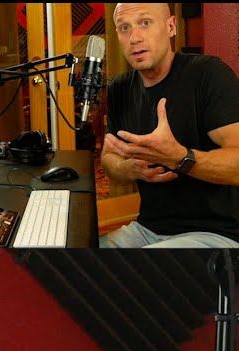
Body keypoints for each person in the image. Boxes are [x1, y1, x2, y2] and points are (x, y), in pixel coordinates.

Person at [97, 2, 239, 249]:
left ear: (171, 27)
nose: (134, 38)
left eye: (145, 23)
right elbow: (109, 158)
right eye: (124, 27)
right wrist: (130, 168)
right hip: (147, 229)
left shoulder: (209, 75)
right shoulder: (119, 88)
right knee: (77, 260)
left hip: (216, 234)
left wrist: (179, 158)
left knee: (128, 270)